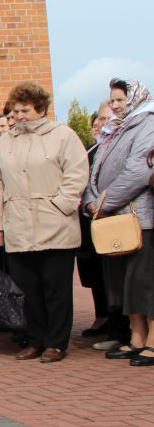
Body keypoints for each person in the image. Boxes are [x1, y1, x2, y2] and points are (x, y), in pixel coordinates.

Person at [0, 82, 89, 364]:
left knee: (56, 289)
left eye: (26, 110)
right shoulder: (4, 142)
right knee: (28, 289)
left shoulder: (63, 136)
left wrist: (61, 205)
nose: (19, 116)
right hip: (18, 224)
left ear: (41, 109)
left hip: (55, 223)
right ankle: (35, 340)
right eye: (15, 111)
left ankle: (56, 342)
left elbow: (76, 173)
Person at [83, 79, 154, 366]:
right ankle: (136, 337)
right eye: (112, 100)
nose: (114, 105)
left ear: (135, 98)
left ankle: (152, 341)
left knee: (143, 281)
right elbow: (95, 169)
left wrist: (103, 203)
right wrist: (91, 199)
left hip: (139, 218)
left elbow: (138, 171)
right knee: (125, 282)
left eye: (120, 100)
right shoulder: (115, 129)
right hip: (113, 217)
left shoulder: (147, 124)